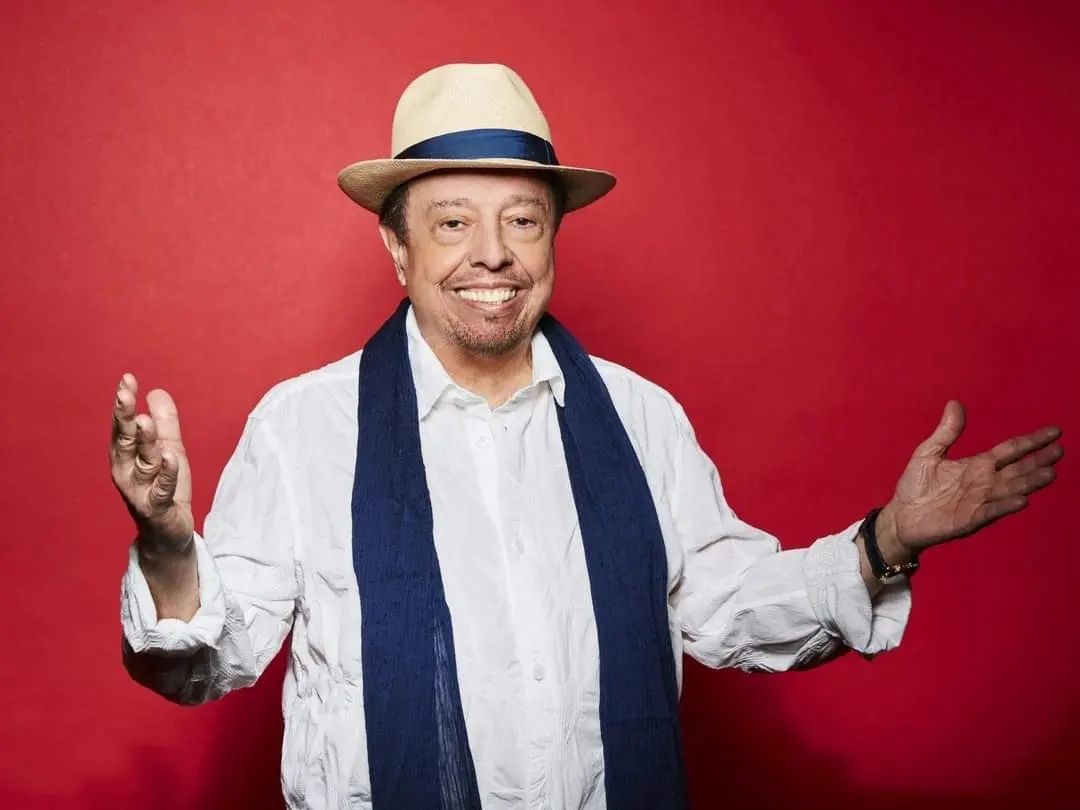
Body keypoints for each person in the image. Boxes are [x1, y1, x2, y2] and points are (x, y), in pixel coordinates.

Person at [112, 64, 1064, 810]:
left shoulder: (642, 419)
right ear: (398, 248)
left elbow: (727, 606)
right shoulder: (304, 428)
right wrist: (166, 548)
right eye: (453, 222)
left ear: (554, 237)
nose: (493, 253)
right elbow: (202, 660)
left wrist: (884, 541)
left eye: (522, 219)